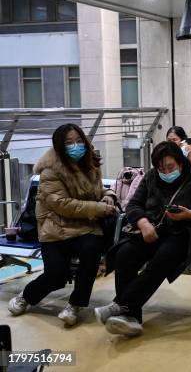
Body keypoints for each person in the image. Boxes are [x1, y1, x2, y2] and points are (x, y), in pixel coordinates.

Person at [95, 141, 191, 337]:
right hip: (152, 229)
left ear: (181, 163)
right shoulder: (151, 176)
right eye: (160, 168)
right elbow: (133, 206)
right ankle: (130, 317)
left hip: (183, 233)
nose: (165, 171)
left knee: (163, 258)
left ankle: (120, 306)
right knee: (125, 255)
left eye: (170, 167)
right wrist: (143, 223)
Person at [8, 124, 118, 326]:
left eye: (78, 141)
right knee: (56, 276)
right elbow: (62, 205)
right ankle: (27, 296)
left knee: (92, 250)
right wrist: (100, 209)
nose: (75, 146)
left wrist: (109, 196)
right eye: (69, 143)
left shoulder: (90, 162)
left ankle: (75, 304)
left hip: (85, 226)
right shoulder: (50, 170)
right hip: (56, 228)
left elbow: (98, 190)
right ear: (59, 146)